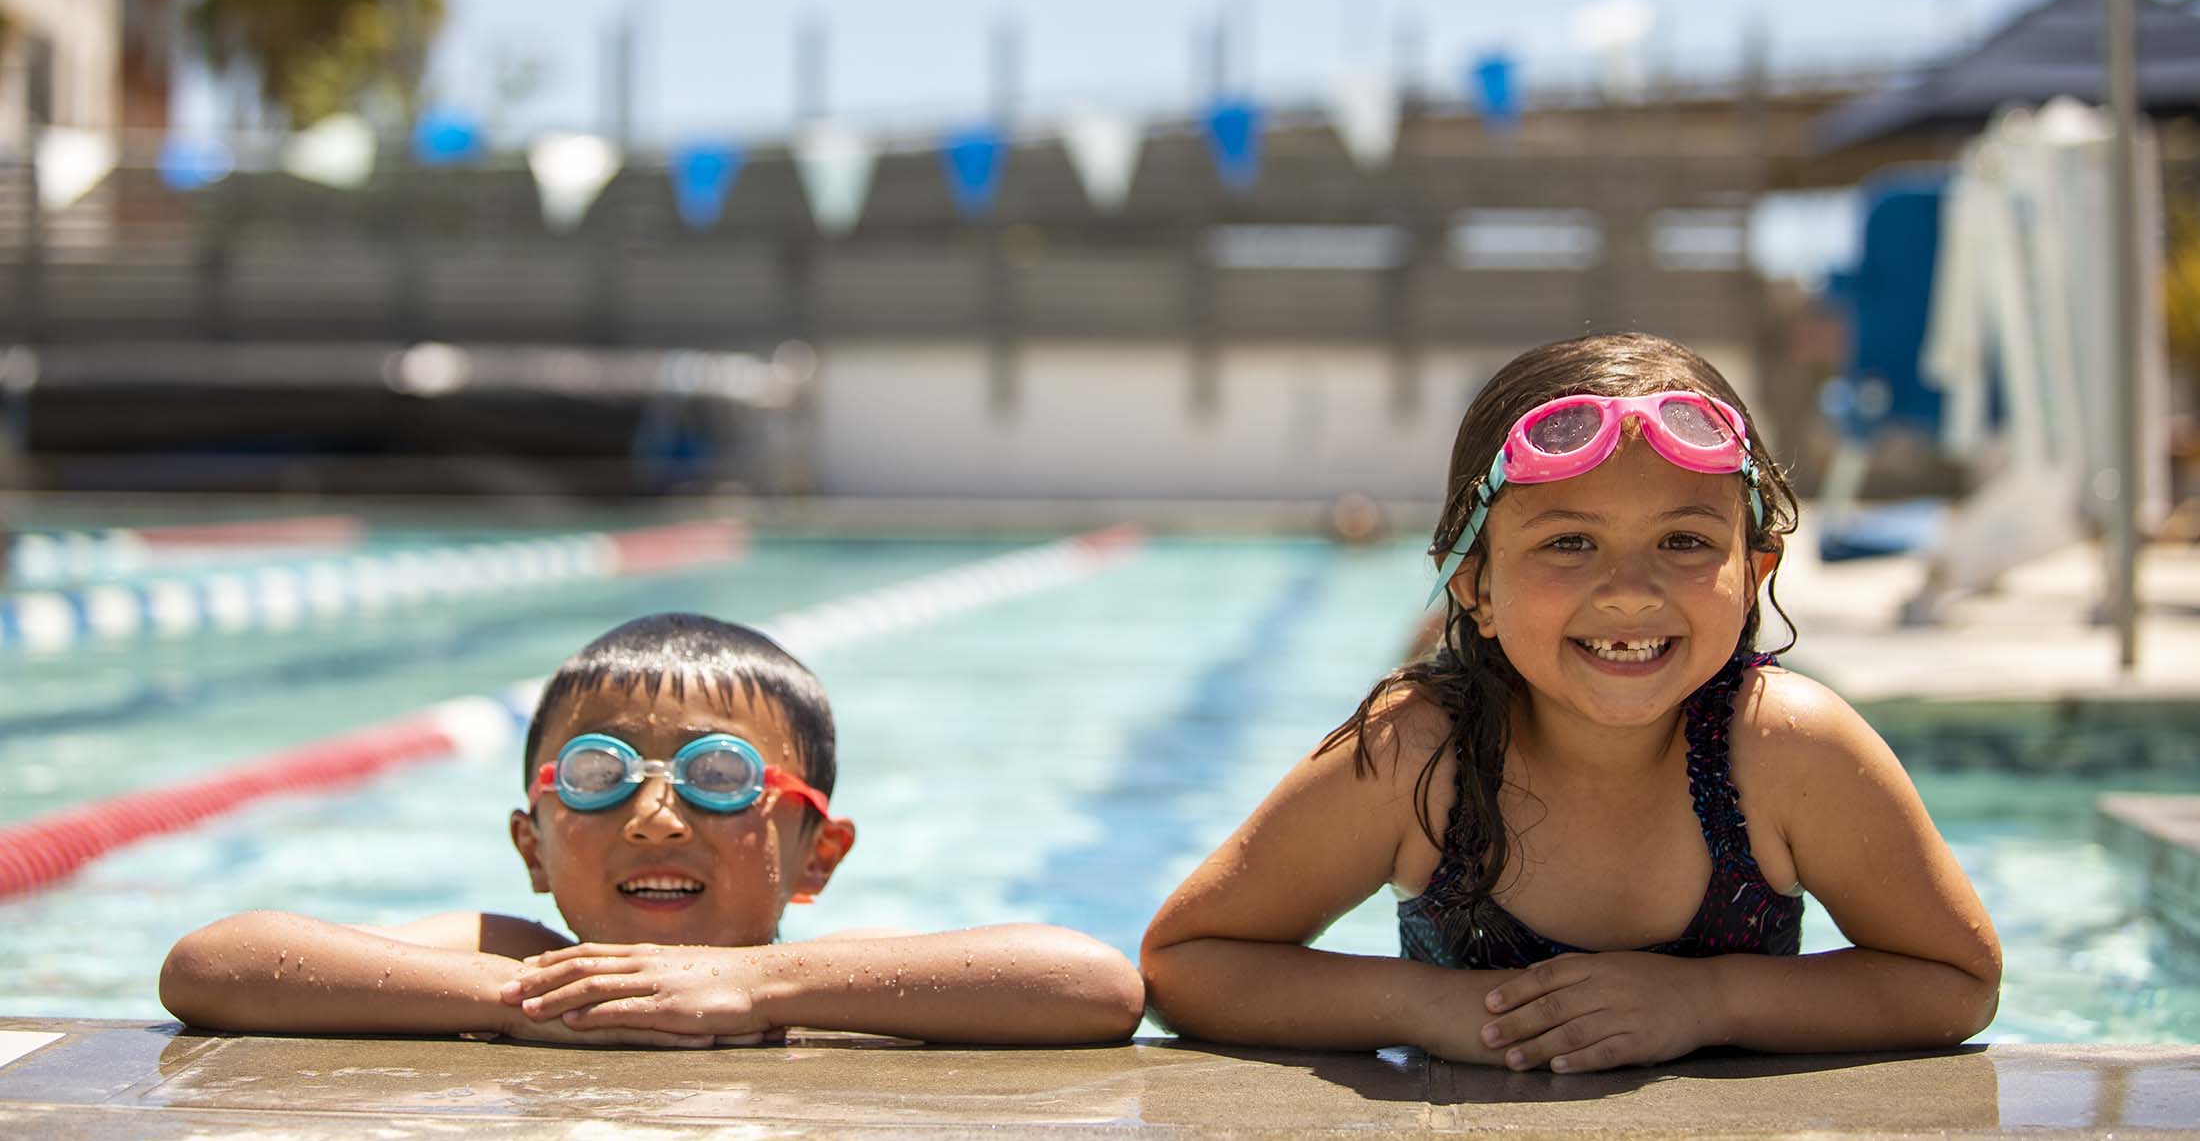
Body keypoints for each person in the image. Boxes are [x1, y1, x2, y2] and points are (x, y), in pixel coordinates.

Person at [1141, 332, 2001, 1072]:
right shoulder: (1419, 753)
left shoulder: (1784, 750)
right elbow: (1187, 962)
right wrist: (1433, 1009)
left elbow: (1957, 979)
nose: (1629, 591)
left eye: (1684, 540)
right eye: (1570, 541)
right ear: (1473, 586)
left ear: (1755, 573)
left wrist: (1714, 1001)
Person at [162, 613, 1144, 1046]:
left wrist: (755, 987)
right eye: (598, 776)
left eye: (720, 777)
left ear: (820, 854)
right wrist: (530, 1005)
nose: (653, 816)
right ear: (530, 847)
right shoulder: (515, 957)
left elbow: (1093, 986)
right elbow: (214, 964)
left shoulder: (821, 978)